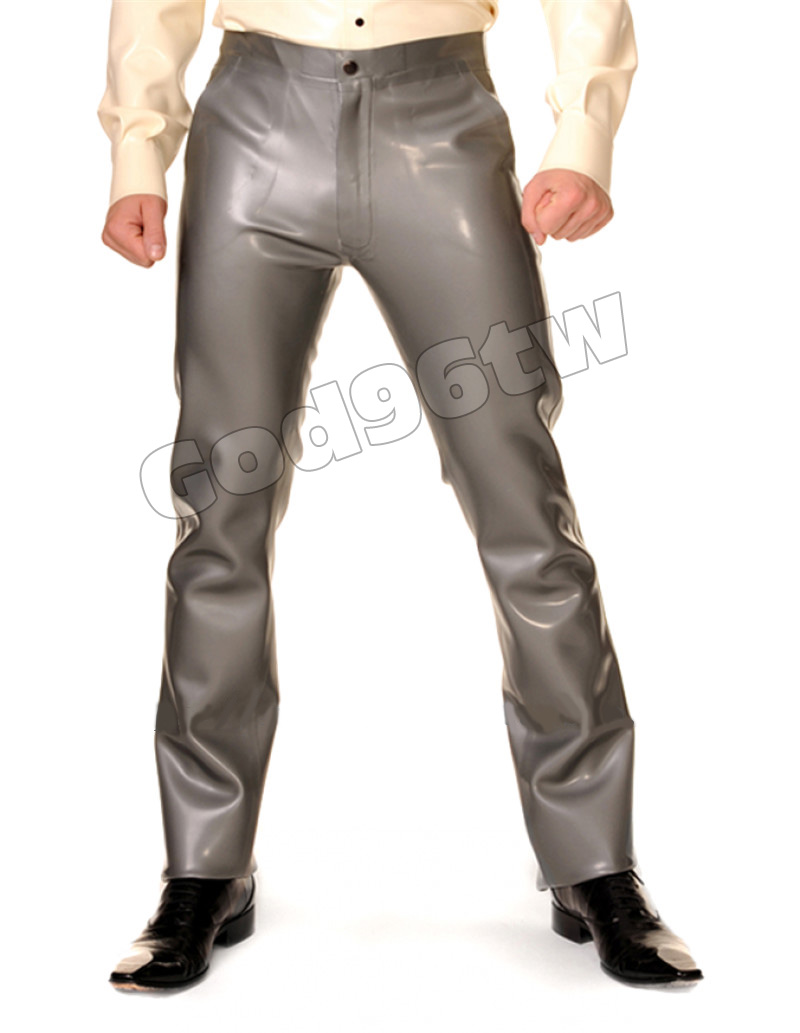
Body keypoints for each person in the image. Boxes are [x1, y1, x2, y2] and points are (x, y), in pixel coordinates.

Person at [99, 0, 703, 992]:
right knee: (219, 511)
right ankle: (202, 864)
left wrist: (584, 133)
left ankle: (594, 862)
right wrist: (138, 146)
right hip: (253, 129)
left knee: (523, 505)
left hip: (442, 122)